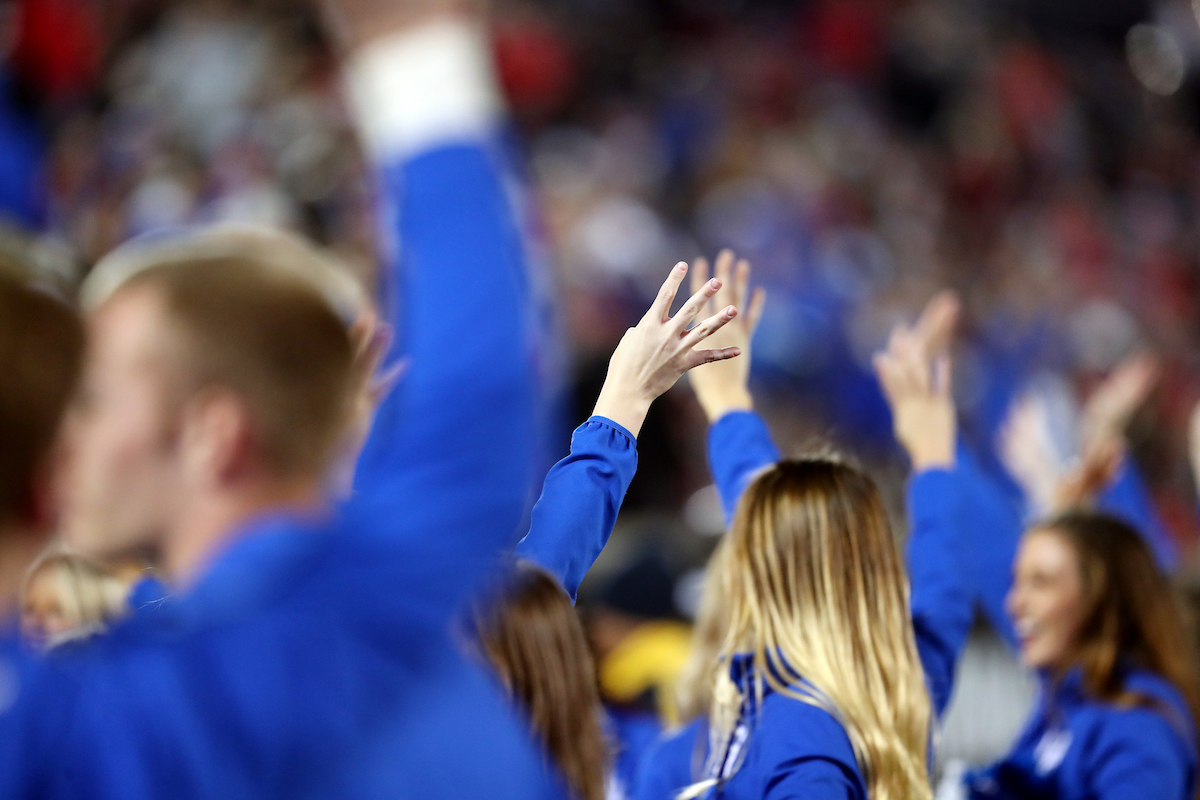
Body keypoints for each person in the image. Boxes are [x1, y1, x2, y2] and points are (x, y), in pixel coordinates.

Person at [631, 253, 971, 800]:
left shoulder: (795, 741)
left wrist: (727, 402)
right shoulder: (902, 686)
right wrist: (933, 460)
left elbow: (771, 522)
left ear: (756, 568)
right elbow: (942, 585)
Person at [962, 510, 1200, 799]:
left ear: (1101, 597)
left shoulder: (1139, 726)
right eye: (1017, 582)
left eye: (1041, 583)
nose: (1014, 604)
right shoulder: (1063, 703)